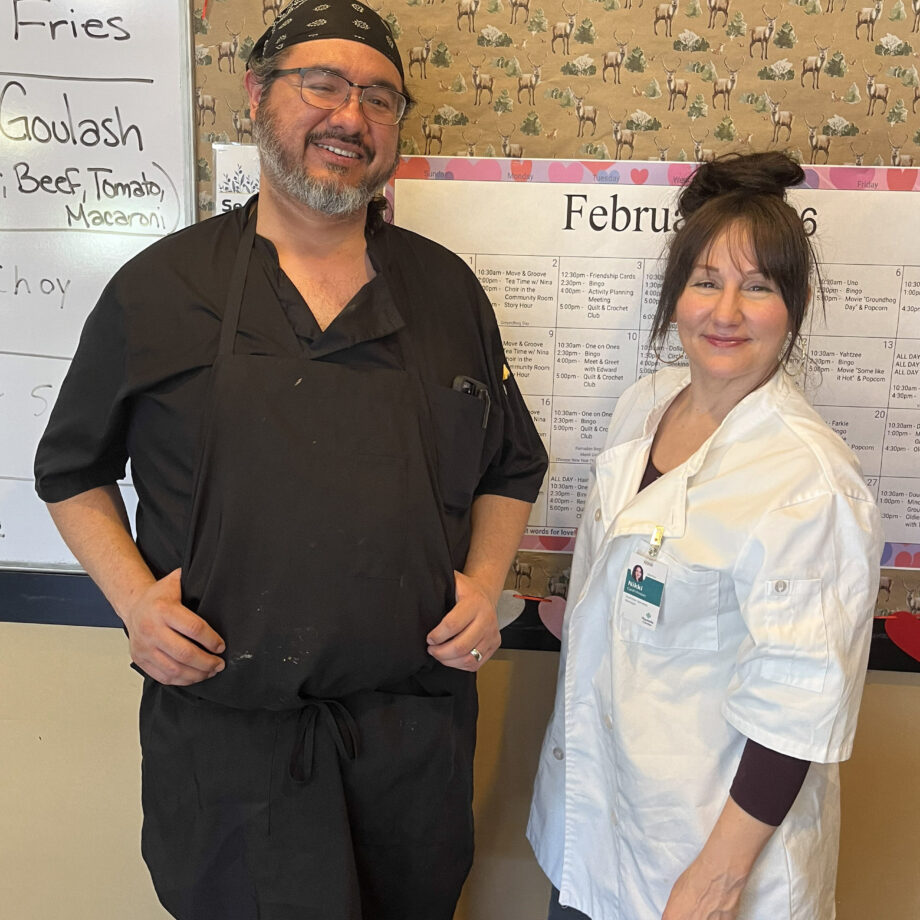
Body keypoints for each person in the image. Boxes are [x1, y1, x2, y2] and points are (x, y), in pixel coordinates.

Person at [34, 3, 546, 919]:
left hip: (408, 745)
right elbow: (70, 468)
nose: (350, 116)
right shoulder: (161, 288)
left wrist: (484, 582)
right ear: (258, 96)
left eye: (379, 97)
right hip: (228, 747)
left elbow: (512, 464)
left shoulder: (445, 290)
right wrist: (134, 603)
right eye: (323, 83)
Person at [527, 152, 882, 920]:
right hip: (596, 831)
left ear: (795, 305)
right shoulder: (644, 408)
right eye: (706, 282)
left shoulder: (807, 480)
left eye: (758, 287)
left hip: (709, 870)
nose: (727, 312)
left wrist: (717, 880)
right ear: (675, 296)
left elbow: (796, 706)